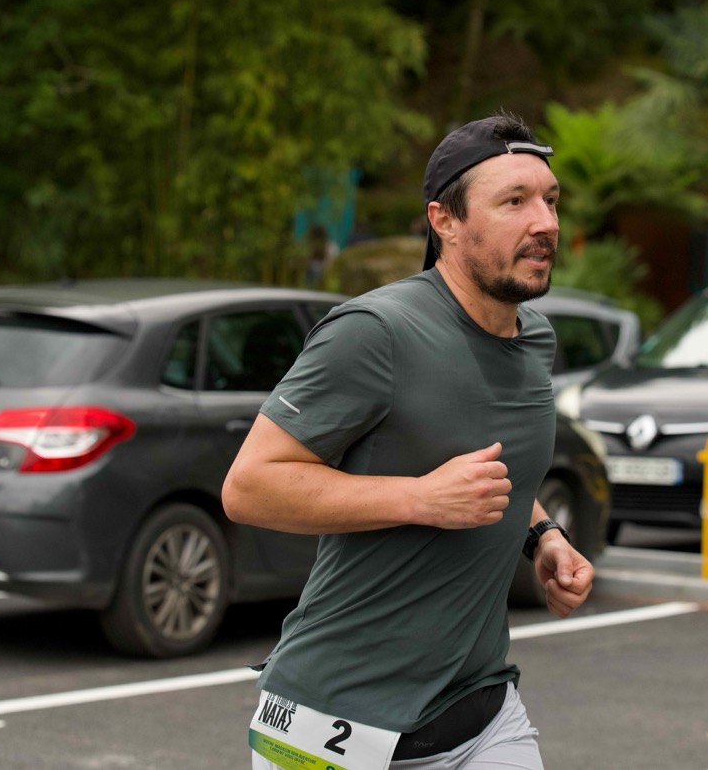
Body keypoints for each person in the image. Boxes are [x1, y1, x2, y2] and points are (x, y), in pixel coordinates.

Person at [222, 111, 595, 770]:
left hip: (482, 712)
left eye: (550, 199)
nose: (545, 222)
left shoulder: (535, 338)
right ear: (443, 220)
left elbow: (493, 465)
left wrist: (543, 535)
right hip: (333, 721)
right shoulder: (375, 331)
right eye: (514, 201)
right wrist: (420, 499)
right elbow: (248, 487)